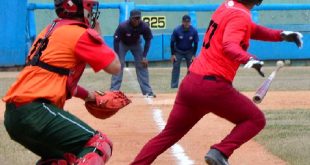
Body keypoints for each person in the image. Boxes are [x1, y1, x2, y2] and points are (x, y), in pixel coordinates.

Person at [131, 0, 303, 164]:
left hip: (191, 84)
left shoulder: (228, 6)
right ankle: (220, 151)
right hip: (212, 86)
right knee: (256, 119)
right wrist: (247, 58)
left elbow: (250, 29)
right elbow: (229, 44)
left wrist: (279, 35)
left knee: (168, 135)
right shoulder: (241, 15)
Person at [3, 0, 121, 164]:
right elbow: (114, 66)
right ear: (79, 8)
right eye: (90, 7)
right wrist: (98, 37)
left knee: (60, 158)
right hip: (37, 111)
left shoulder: (49, 31)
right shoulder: (79, 33)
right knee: (99, 144)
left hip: (14, 117)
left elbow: (64, 81)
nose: (92, 12)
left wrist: (89, 96)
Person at [111, 9, 156, 97]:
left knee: (142, 65)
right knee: (119, 65)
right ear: (130, 18)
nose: (137, 20)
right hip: (122, 44)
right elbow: (116, 41)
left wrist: (144, 56)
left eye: (138, 18)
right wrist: (116, 55)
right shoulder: (123, 26)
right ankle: (113, 91)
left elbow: (148, 40)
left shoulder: (144, 26)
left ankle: (148, 92)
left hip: (136, 43)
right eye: (134, 18)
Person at [170, 15, 199, 88]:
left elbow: (196, 44)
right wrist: (173, 54)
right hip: (178, 51)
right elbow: (172, 43)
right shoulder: (177, 30)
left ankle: (190, 84)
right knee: (176, 66)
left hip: (189, 51)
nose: (187, 24)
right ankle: (174, 85)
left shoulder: (194, 31)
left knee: (191, 68)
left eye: (188, 22)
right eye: (185, 22)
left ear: (190, 22)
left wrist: (193, 55)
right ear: (182, 22)